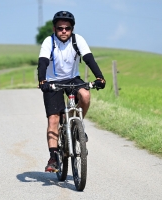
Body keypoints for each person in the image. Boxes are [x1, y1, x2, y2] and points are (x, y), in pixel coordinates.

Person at [37, 11, 106, 172]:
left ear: (72, 29)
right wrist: (42, 81)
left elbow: (89, 59)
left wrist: (100, 77)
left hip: (72, 79)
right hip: (52, 81)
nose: (63, 31)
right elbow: (42, 62)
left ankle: (77, 127)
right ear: (54, 29)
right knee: (53, 120)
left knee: (86, 95)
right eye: (60, 28)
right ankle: (53, 157)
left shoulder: (78, 40)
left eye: (67, 28)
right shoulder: (49, 41)